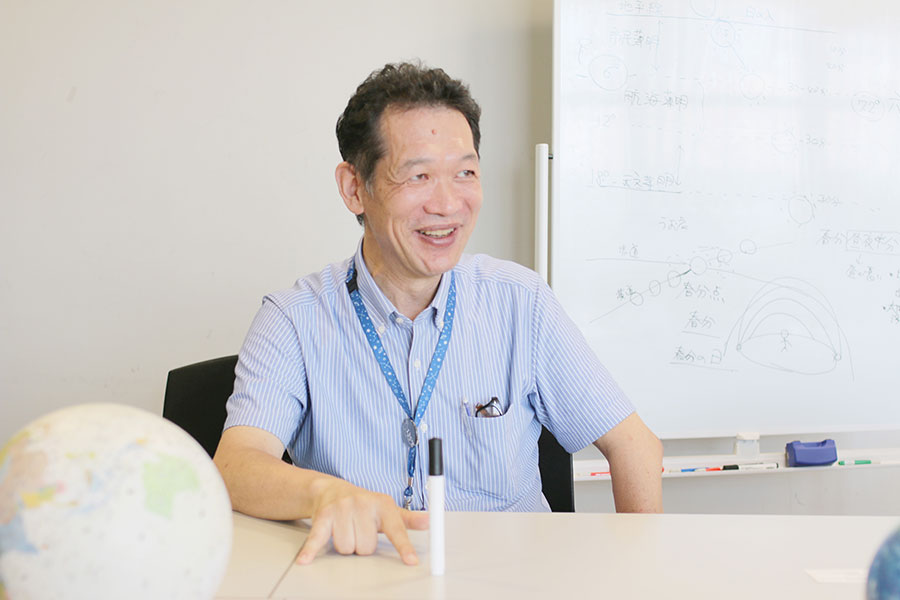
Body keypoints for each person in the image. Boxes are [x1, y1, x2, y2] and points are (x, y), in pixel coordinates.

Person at [213, 61, 663, 567]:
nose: (448, 204)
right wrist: (324, 493)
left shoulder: (521, 302)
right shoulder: (294, 319)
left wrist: (641, 577)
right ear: (354, 188)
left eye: (465, 173)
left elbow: (635, 446)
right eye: (419, 175)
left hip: (513, 578)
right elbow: (235, 467)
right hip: (365, 577)